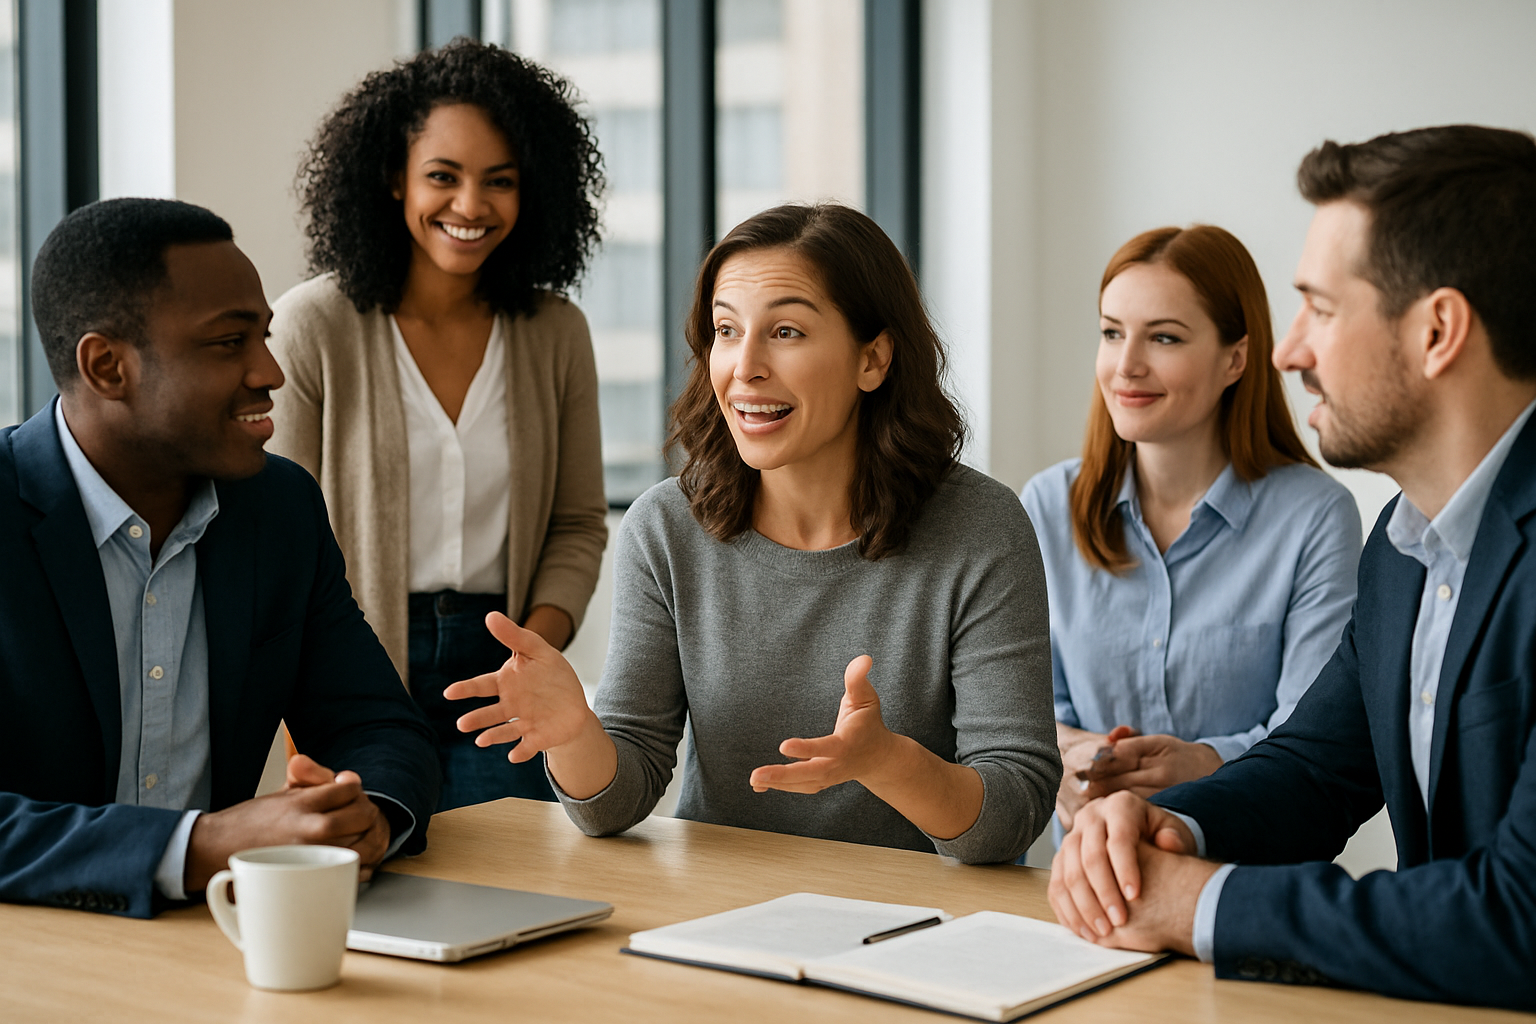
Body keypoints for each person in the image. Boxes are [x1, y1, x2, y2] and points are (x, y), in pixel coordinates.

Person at [1048, 125, 1536, 1011]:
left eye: (1321, 308)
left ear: (1438, 332)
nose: (1287, 351)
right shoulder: (1403, 540)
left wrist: (1194, 902)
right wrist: (1169, 827)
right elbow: (1315, 769)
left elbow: (1520, 916)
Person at [446, 203, 1061, 862]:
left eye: (787, 331)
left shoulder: (981, 530)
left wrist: (887, 763)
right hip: (721, 912)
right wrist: (574, 733)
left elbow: (1012, 813)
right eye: (726, 330)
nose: (745, 366)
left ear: (874, 359)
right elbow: (615, 805)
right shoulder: (666, 528)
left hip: (919, 929)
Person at [0, 198, 439, 918]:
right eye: (228, 342)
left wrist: (369, 818)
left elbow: (378, 724)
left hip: (224, 943)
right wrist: (197, 845)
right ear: (107, 366)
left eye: (262, 336)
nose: (270, 371)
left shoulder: (279, 508)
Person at [267, 40, 608, 811]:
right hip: (352, 666)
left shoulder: (557, 333)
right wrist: (303, 701)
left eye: (500, 182)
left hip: (501, 666)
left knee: (515, 889)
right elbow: (276, 542)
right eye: (442, 177)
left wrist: (535, 648)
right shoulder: (312, 327)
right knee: (377, 885)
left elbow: (578, 524)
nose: (470, 206)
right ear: (394, 180)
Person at [1023, 226, 1359, 834]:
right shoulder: (1047, 504)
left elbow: (1317, 734)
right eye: (1111, 333)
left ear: (1235, 358)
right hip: (1077, 874)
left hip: (1239, 873)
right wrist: (1070, 756)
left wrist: (1206, 762)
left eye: (1164, 337)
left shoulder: (1314, 516)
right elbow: (1024, 706)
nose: (1126, 365)